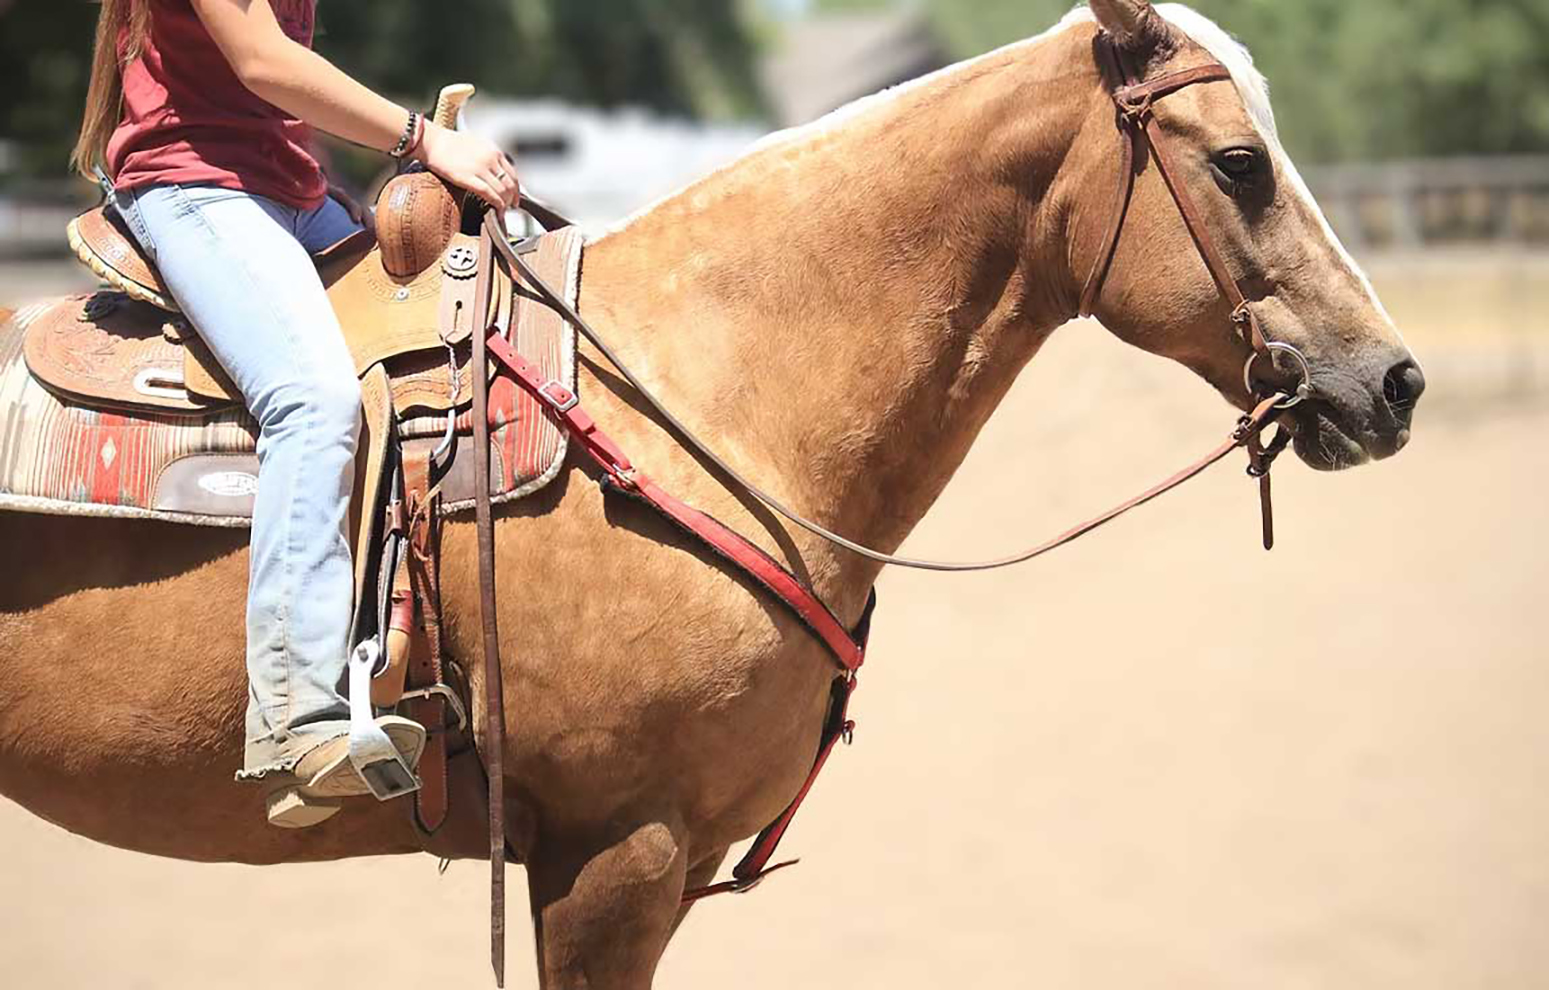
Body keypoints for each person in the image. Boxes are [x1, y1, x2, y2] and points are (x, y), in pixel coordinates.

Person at [70, 0, 520, 828]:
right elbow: (264, 63)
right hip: (191, 189)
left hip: (290, 191)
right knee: (313, 401)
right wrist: (426, 140)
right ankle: (294, 715)